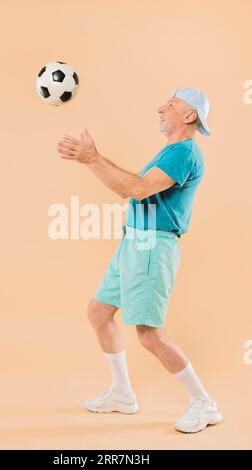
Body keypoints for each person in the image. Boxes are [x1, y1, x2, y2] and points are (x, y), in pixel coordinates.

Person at [57, 87, 223, 433]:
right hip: (133, 241)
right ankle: (122, 394)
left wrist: (93, 158)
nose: (160, 108)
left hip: (152, 247)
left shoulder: (183, 153)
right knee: (99, 312)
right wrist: (91, 160)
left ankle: (205, 404)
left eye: (172, 105)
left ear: (189, 116)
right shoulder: (170, 151)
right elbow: (128, 187)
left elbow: (136, 189)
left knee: (149, 334)